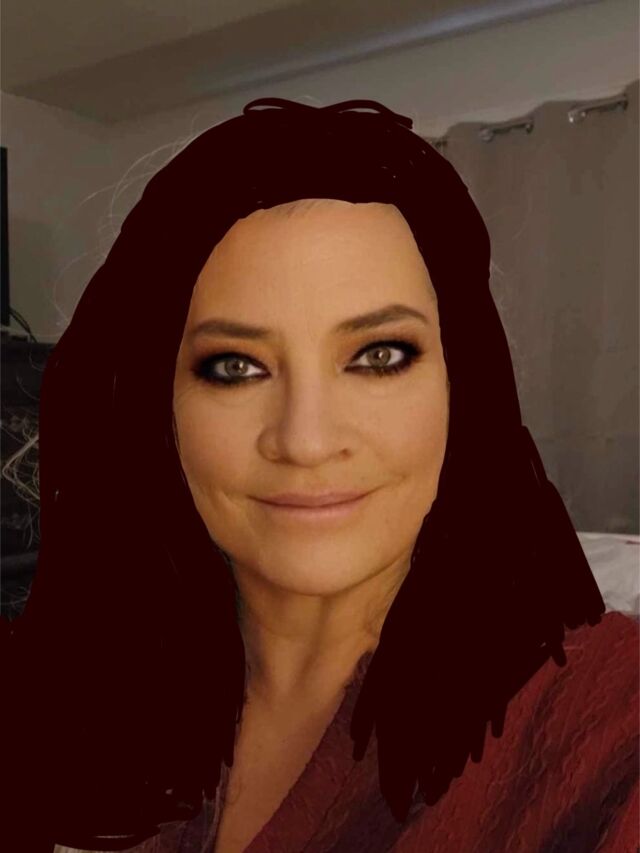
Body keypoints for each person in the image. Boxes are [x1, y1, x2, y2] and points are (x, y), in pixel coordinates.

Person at [4, 98, 637, 853]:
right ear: (153, 407)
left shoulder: (606, 723)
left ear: (463, 383)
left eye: (379, 356)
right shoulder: (63, 686)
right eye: (234, 367)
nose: (305, 441)